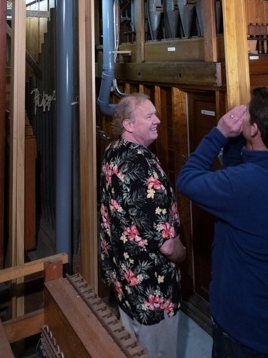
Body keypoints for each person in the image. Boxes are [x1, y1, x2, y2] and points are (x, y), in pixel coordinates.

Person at [177, 87, 268, 358]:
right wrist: (241, 139)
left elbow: (187, 179)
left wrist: (218, 133)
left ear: (254, 130)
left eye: (247, 115)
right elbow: (244, 172)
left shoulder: (241, 186)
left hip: (247, 333)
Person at [99, 92, 186, 358]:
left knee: (131, 347)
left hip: (125, 283)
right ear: (128, 124)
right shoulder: (141, 166)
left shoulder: (113, 151)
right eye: (149, 116)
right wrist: (182, 254)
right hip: (152, 292)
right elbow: (167, 243)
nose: (158, 120)